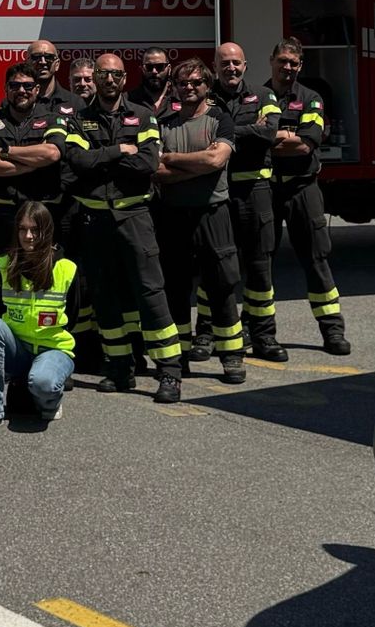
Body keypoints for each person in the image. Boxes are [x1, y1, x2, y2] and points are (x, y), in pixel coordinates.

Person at [68, 52, 183, 401]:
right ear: (96, 77)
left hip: (134, 217)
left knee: (150, 293)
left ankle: (170, 372)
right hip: (95, 221)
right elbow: (78, 161)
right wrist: (119, 150)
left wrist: (102, 157)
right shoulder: (78, 119)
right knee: (105, 294)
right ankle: (119, 369)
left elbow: (148, 163)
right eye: (103, 74)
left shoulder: (142, 116)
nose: (109, 80)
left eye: (116, 74)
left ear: (123, 78)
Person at [152, 57, 245, 384]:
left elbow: (216, 158)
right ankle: (181, 358)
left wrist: (175, 159)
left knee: (221, 287)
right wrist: (198, 167)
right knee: (176, 289)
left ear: (207, 85)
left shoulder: (220, 118)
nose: (189, 88)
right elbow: (156, 171)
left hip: (213, 214)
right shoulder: (165, 123)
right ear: (174, 87)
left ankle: (232, 357)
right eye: (182, 83)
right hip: (174, 217)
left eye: (196, 83)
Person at [266, 39, 350, 356]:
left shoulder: (312, 99)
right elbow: (247, 139)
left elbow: (305, 144)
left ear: (300, 67)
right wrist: (285, 137)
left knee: (316, 261)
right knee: (260, 263)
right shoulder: (258, 97)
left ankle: (333, 332)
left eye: (294, 63)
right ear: (271, 60)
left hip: (303, 188)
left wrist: (268, 137)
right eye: (283, 61)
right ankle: (259, 333)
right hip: (267, 189)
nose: (288, 67)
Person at [0, 202, 77, 432]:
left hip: (53, 350)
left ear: (46, 231)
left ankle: (51, 398)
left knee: (43, 383)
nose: (28, 236)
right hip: (17, 350)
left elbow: (74, 316)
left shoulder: (67, 269)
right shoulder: (3, 266)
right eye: (22, 229)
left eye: (35, 230)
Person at [215, 42, 285, 363]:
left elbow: (270, 133)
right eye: (225, 63)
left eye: (236, 63)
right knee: (221, 269)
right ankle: (221, 335)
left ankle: (264, 336)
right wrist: (247, 130)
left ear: (246, 65)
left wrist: (227, 134)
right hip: (219, 193)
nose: (231, 68)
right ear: (215, 66)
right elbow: (203, 135)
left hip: (256, 193)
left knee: (259, 268)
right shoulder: (207, 98)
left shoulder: (264, 95)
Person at [0, 61, 72, 275]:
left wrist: (4, 152)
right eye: (14, 86)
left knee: (43, 277)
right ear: (6, 89)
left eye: (27, 86)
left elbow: (52, 153)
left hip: (42, 213)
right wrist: (31, 165)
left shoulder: (53, 119)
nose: (21, 91)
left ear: (36, 89)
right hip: (1, 216)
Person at [25, 39, 85, 115]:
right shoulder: (18, 102)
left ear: (57, 65)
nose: (43, 62)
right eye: (36, 57)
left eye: (49, 57)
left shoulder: (75, 102)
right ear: (27, 63)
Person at [129, 47, 175, 117]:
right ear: (141, 69)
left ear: (169, 68)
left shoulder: (181, 98)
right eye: (149, 67)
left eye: (160, 66)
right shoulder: (127, 100)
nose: (154, 71)